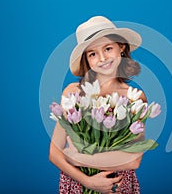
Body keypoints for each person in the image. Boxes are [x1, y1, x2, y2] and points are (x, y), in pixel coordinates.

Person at [49, 16, 147, 194]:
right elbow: (55, 153)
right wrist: (88, 181)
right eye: (92, 54)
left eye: (108, 48)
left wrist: (79, 158)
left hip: (116, 186)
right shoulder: (73, 93)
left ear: (121, 46)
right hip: (78, 185)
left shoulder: (135, 99)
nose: (102, 58)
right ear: (86, 59)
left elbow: (133, 160)